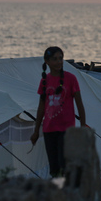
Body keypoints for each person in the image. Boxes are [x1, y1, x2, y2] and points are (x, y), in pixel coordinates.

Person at [30, 46, 86, 177]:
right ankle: (57, 192)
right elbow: (41, 108)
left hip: (66, 129)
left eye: (61, 58)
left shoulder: (71, 79)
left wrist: (83, 129)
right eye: (55, 59)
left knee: (64, 163)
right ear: (47, 61)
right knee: (54, 167)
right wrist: (36, 131)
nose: (59, 62)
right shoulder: (44, 81)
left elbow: (80, 105)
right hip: (49, 129)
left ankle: (67, 191)